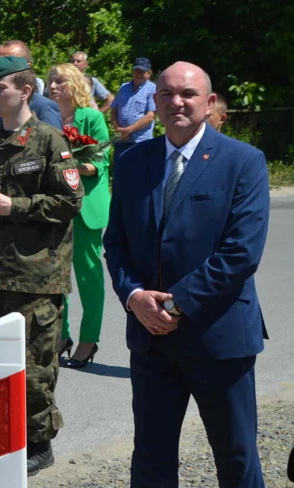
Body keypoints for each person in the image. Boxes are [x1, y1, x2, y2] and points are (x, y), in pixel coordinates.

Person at [104, 61, 269, 488]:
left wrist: (174, 305)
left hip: (219, 338)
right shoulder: (132, 161)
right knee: (152, 460)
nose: (177, 102)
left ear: (210, 102)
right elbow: (116, 244)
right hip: (151, 340)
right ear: (155, 102)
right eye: (167, 94)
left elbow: (240, 253)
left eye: (188, 94)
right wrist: (134, 296)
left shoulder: (243, 161)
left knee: (235, 457)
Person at [0, 55, 82, 475]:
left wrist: (15, 205)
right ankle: (2, 439)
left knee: (33, 367)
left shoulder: (49, 140)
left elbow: (69, 201)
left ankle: (38, 441)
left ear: (25, 91)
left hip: (35, 276)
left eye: (1, 88)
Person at [47, 64, 110, 369]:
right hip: (54, 207)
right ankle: (62, 335)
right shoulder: (45, 118)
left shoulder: (92, 118)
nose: (53, 86)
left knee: (87, 278)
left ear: (73, 84)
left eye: (58, 80)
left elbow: (100, 164)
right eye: (50, 81)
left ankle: (89, 339)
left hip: (85, 209)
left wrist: (67, 162)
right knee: (57, 277)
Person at [0, 40, 61, 137]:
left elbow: (52, 144)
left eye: (10, 61)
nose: (1, 66)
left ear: (27, 67)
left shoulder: (44, 108)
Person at [110, 57, 156, 161]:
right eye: (136, 70)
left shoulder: (152, 89)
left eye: (142, 71)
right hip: (122, 140)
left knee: (139, 174)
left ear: (149, 73)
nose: (138, 74)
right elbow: (113, 111)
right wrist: (118, 129)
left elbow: (150, 116)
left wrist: (129, 130)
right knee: (121, 172)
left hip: (141, 141)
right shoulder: (123, 87)